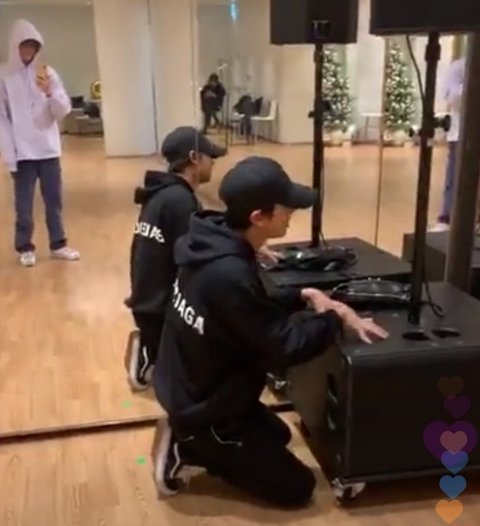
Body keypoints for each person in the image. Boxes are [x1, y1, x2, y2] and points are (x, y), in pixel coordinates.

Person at [151, 156, 388, 507]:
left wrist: (302, 295)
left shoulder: (208, 245)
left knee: (278, 435)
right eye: (285, 208)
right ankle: (186, 445)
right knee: (297, 489)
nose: (291, 214)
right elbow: (283, 345)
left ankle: (202, 437)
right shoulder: (227, 273)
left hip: (197, 383)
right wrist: (334, 318)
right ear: (258, 217)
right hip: (205, 410)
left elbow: (244, 309)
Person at [124, 126, 226, 391]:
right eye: (210, 156)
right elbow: (194, 258)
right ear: (194, 157)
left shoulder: (163, 195)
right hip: (161, 313)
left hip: (147, 304)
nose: (214, 162)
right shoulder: (180, 201)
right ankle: (151, 353)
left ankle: (155, 345)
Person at [0, 19, 79, 267]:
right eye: (24, 46)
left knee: (54, 201)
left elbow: (63, 110)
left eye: (32, 46)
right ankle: (25, 246)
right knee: (23, 205)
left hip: (48, 150)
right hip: (22, 153)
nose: (28, 51)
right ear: (15, 46)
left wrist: (49, 91)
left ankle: (59, 244)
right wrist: (9, 154)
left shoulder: (48, 73)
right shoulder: (4, 76)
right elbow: (2, 118)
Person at [431, 57, 466, 232]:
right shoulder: (459, 66)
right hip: (461, 133)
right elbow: (451, 97)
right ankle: (446, 219)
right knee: (454, 178)